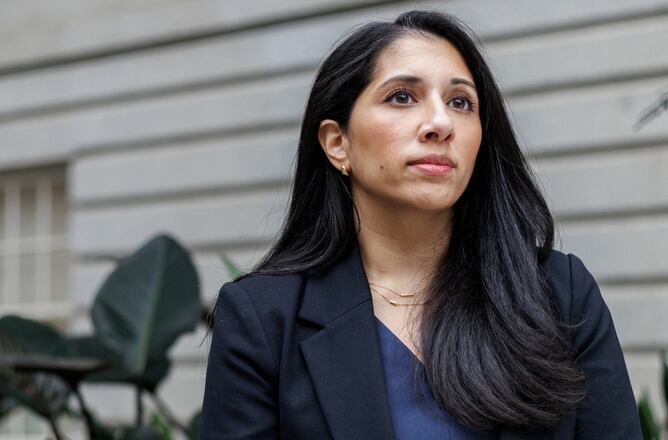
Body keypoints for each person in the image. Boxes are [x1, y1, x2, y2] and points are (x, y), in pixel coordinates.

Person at [200, 9, 641, 440]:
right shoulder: (262, 318)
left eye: (460, 102)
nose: (440, 123)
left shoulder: (561, 294)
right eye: (401, 97)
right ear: (338, 144)